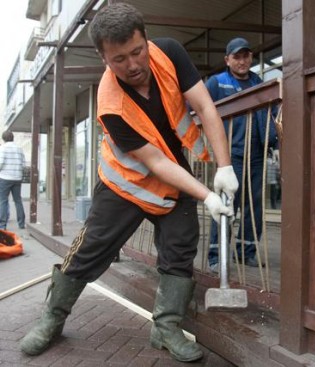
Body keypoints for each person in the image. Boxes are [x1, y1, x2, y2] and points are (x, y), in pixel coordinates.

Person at [20, 3, 238, 363]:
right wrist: (206, 196)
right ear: (104, 58)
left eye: (137, 51)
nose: (133, 65)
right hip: (126, 184)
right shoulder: (109, 104)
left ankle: (165, 328)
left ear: (146, 40)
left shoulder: (169, 52)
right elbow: (152, 161)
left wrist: (224, 166)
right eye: (119, 59)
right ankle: (52, 318)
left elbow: (206, 107)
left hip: (174, 174)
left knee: (181, 246)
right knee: (89, 250)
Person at [206, 37, 278, 271]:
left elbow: (274, 115)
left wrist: (275, 143)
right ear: (227, 60)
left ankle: (246, 252)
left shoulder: (259, 83)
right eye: (237, 56)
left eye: (246, 56)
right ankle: (217, 256)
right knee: (227, 205)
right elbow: (198, 109)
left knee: (254, 206)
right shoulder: (217, 83)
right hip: (231, 156)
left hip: (256, 156)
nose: (242, 61)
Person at [0, 130, 26, 230]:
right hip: (17, 178)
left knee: (3, 201)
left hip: (5, 178)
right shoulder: (19, 149)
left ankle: (2, 225)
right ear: (12, 138)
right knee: (18, 200)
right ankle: (21, 224)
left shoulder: (2, 148)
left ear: (3, 138)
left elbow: (0, 163)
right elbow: (23, 165)